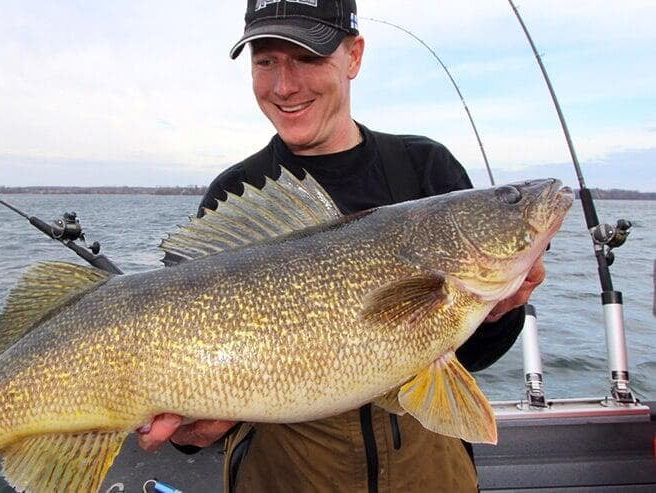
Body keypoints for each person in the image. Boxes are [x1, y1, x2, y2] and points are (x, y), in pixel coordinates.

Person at [138, 1, 546, 491]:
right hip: (287, 473)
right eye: (265, 60)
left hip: (426, 472)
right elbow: (181, 403)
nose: (284, 85)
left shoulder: (425, 169)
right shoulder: (237, 191)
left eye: (308, 57)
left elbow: (474, 357)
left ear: (353, 57)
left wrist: (500, 311)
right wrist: (192, 428)